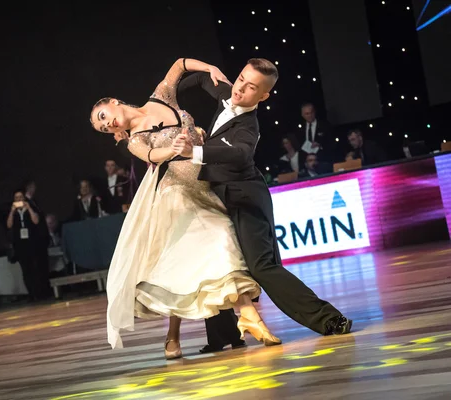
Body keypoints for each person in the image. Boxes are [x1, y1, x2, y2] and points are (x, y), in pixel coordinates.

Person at [90, 58, 279, 359]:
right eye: (102, 127)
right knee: (213, 244)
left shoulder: (160, 96)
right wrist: (176, 149)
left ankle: (183, 331)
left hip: (204, 186)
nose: (107, 123)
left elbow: (179, 65)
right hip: (176, 195)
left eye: (103, 115)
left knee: (203, 256)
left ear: (114, 102)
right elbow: (153, 154)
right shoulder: (134, 140)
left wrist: (210, 70)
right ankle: (244, 315)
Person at [172, 58, 352, 353]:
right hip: (216, 195)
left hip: (245, 198)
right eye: (241, 78)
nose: (241, 88)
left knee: (262, 267)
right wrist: (183, 93)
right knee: (216, 260)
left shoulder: (248, 127)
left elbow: (240, 155)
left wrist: (196, 150)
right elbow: (195, 80)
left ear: (263, 96)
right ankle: (224, 336)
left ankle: (330, 319)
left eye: (251, 86)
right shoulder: (227, 92)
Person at [7, 189, 44, 302]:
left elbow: (36, 221)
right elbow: (9, 225)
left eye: (21, 198)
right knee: (25, 270)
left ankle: (39, 292)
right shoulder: (13, 212)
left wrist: (29, 208)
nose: (19, 200)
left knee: (35, 267)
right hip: (20, 244)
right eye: (16, 198)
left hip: (31, 242)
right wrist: (12, 211)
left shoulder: (30, 208)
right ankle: (31, 293)